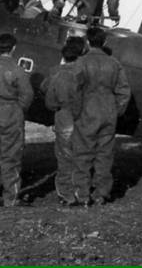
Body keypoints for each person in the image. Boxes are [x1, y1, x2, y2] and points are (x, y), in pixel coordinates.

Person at [71, 28, 130, 206]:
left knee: (83, 154)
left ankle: (82, 194)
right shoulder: (114, 63)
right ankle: (101, 194)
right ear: (104, 42)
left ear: (87, 42)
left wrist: (76, 112)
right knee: (104, 155)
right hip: (108, 112)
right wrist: (116, 110)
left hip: (87, 112)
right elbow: (124, 91)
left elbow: (74, 90)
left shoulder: (81, 62)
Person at [0, 33, 34, 207]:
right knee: (11, 157)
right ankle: (11, 198)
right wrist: (18, 109)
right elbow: (27, 95)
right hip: (11, 114)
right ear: (13, 48)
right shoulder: (18, 70)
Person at [41, 37, 86, 205]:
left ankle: (66, 196)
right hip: (82, 118)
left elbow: (48, 98)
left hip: (63, 117)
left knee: (64, 157)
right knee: (81, 157)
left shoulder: (55, 72)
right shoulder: (84, 73)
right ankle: (82, 194)